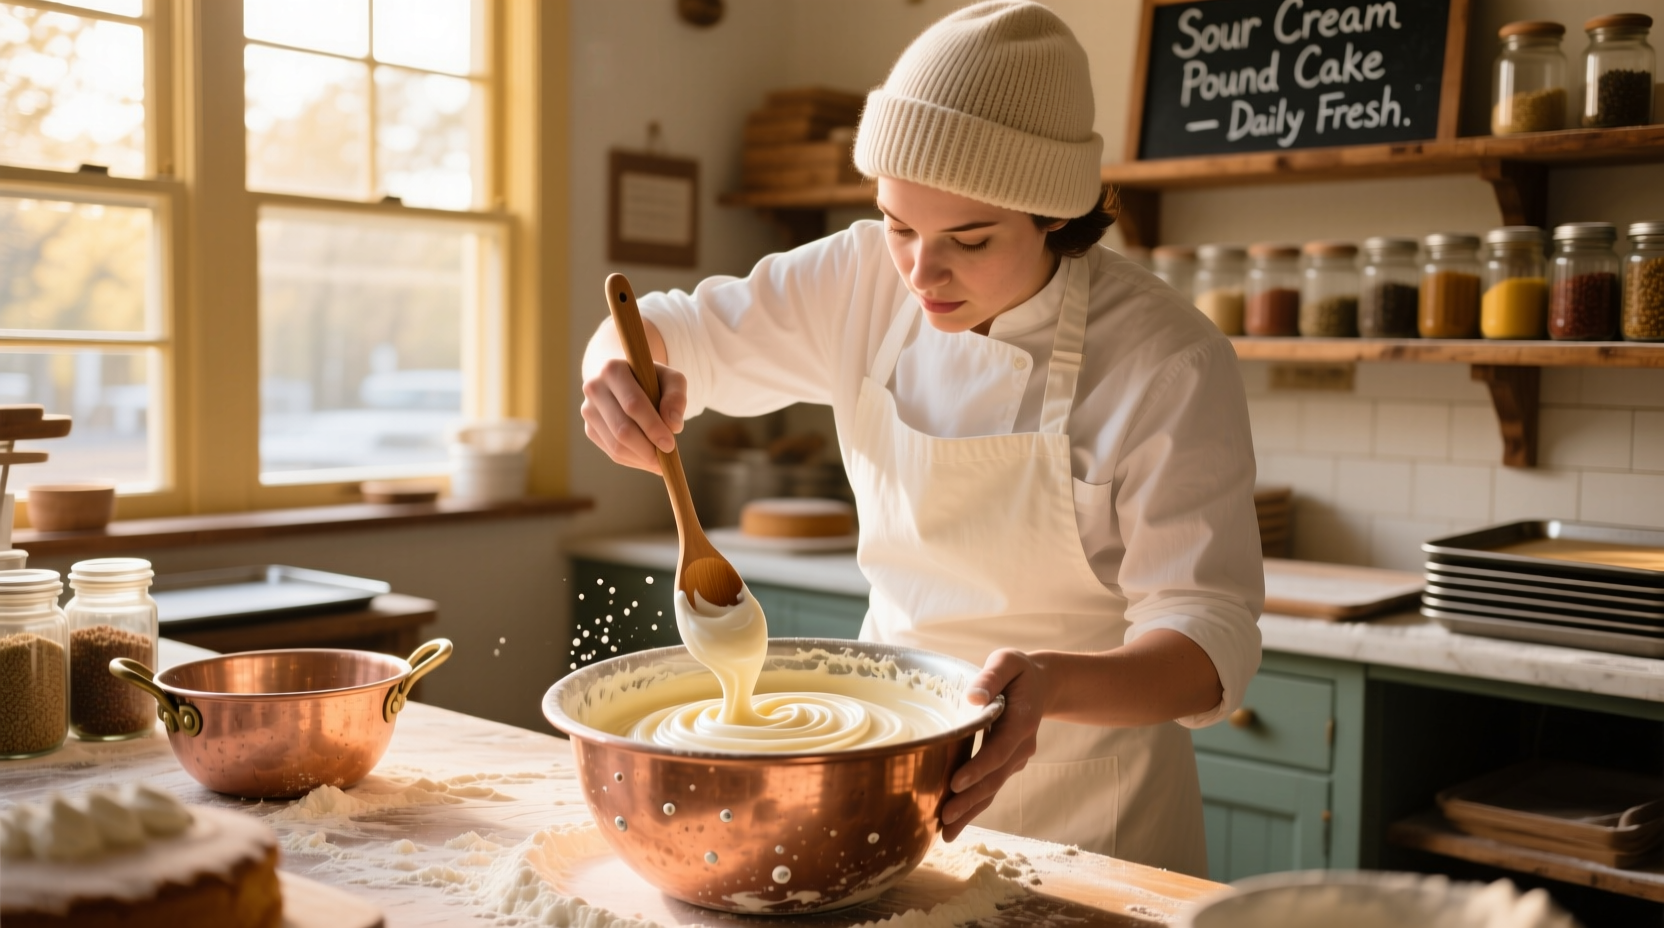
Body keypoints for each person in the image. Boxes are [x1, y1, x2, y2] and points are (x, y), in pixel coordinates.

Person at [581, 0, 1261, 877]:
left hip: (1095, 821)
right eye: (898, 224)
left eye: (968, 241)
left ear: (1054, 215)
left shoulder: (1167, 360)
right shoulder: (861, 278)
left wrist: (1054, 685)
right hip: (884, 784)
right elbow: (661, 328)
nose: (919, 272)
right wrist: (612, 375)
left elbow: (1210, 646)